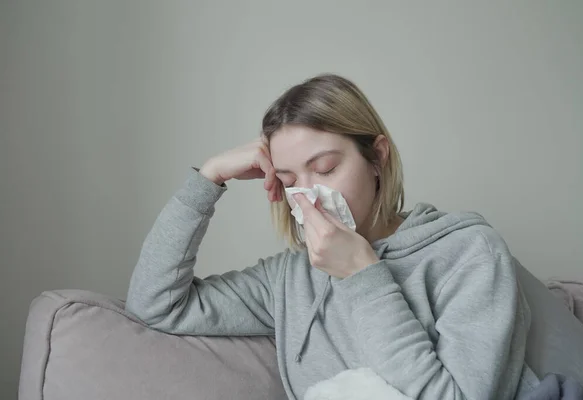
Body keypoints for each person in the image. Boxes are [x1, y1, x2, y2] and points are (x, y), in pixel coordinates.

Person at [125, 74, 534, 399]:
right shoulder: (288, 280)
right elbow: (155, 304)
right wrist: (209, 177)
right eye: (288, 180)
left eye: (324, 169)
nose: (308, 196)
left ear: (377, 157)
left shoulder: (468, 252)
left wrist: (363, 277)